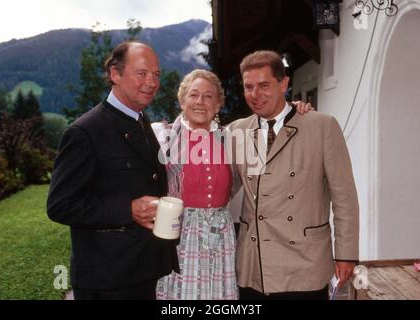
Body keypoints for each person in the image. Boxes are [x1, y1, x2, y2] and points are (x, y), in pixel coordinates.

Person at [153, 69, 312, 300]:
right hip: (180, 235)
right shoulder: (163, 136)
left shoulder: (232, 138)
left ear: (218, 104)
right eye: (193, 95)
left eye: (208, 97)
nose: (200, 102)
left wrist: (294, 109)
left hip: (222, 234)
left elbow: (272, 128)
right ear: (182, 100)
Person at [46, 40, 179, 300]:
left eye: (156, 74)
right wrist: (127, 209)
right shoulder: (85, 132)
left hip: (142, 270)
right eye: (142, 73)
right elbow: (60, 205)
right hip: (107, 281)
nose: (152, 82)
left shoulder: (141, 122)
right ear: (115, 74)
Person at [228, 50, 359, 300]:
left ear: (284, 83)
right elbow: (216, 181)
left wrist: (346, 253)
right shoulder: (237, 131)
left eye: (264, 85)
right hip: (254, 264)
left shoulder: (322, 126)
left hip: (304, 264)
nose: (255, 95)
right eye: (249, 87)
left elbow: (344, 198)